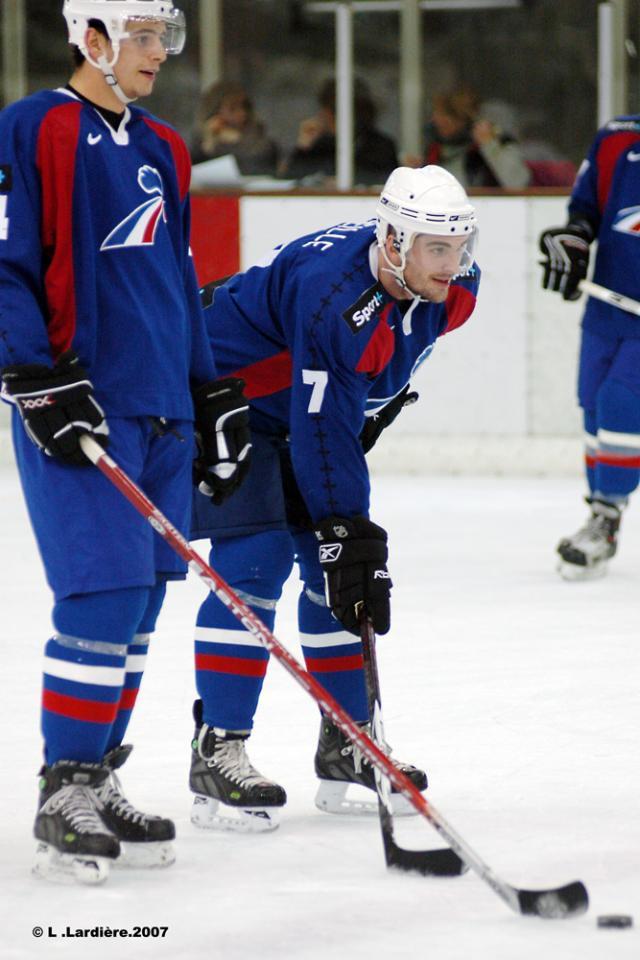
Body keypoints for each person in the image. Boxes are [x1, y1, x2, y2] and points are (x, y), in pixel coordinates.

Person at [0, 0, 249, 884]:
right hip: (81, 401)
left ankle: (97, 777)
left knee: (142, 603)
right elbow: (5, 260)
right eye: (140, 36)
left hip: (161, 410)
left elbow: (177, 275)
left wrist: (210, 387)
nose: (156, 53)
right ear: (91, 38)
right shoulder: (34, 125)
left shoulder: (167, 146)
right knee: (100, 597)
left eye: (163, 37)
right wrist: (31, 373)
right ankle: (61, 784)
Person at [188, 165, 480, 832]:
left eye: (460, 246)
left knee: (331, 572)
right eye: (437, 248)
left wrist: (373, 405)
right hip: (225, 397)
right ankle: (218, 747)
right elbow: (321, 428)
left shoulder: (455, 287)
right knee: (256, 560)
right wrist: (347, 526)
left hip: (296, 407)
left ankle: (347, 742)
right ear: (395, 241)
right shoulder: (333, 297)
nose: (453, 263)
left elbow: (383, 362)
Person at [539, 114, 640, 580]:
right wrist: (576, 239)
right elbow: (586, 208)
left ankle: (605, 515)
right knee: (594, 407)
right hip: (607, 306)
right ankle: (604, 514)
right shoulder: (616, 135)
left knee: (621, 401)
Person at [283, 77, 398, 186]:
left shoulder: (380, 146)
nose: (323, 115)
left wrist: (348, 181)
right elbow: (290, 180)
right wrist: (304, 145)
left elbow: (388, 181)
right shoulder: (321, 145)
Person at [421, 87, 530, 189]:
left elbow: (518, 184)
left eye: (445, 116)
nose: (436, 121)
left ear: (464, 119)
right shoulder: (436, 148)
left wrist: (489, 145)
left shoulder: (496, 143)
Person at [191, 81, 279, 176]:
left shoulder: (257, 135)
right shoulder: (203, 139)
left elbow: (266, 159)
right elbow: (192, 170)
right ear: (215, 112)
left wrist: (239, 140)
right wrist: (208, 144)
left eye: (244, 107)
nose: (242, 113)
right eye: (232, 109)